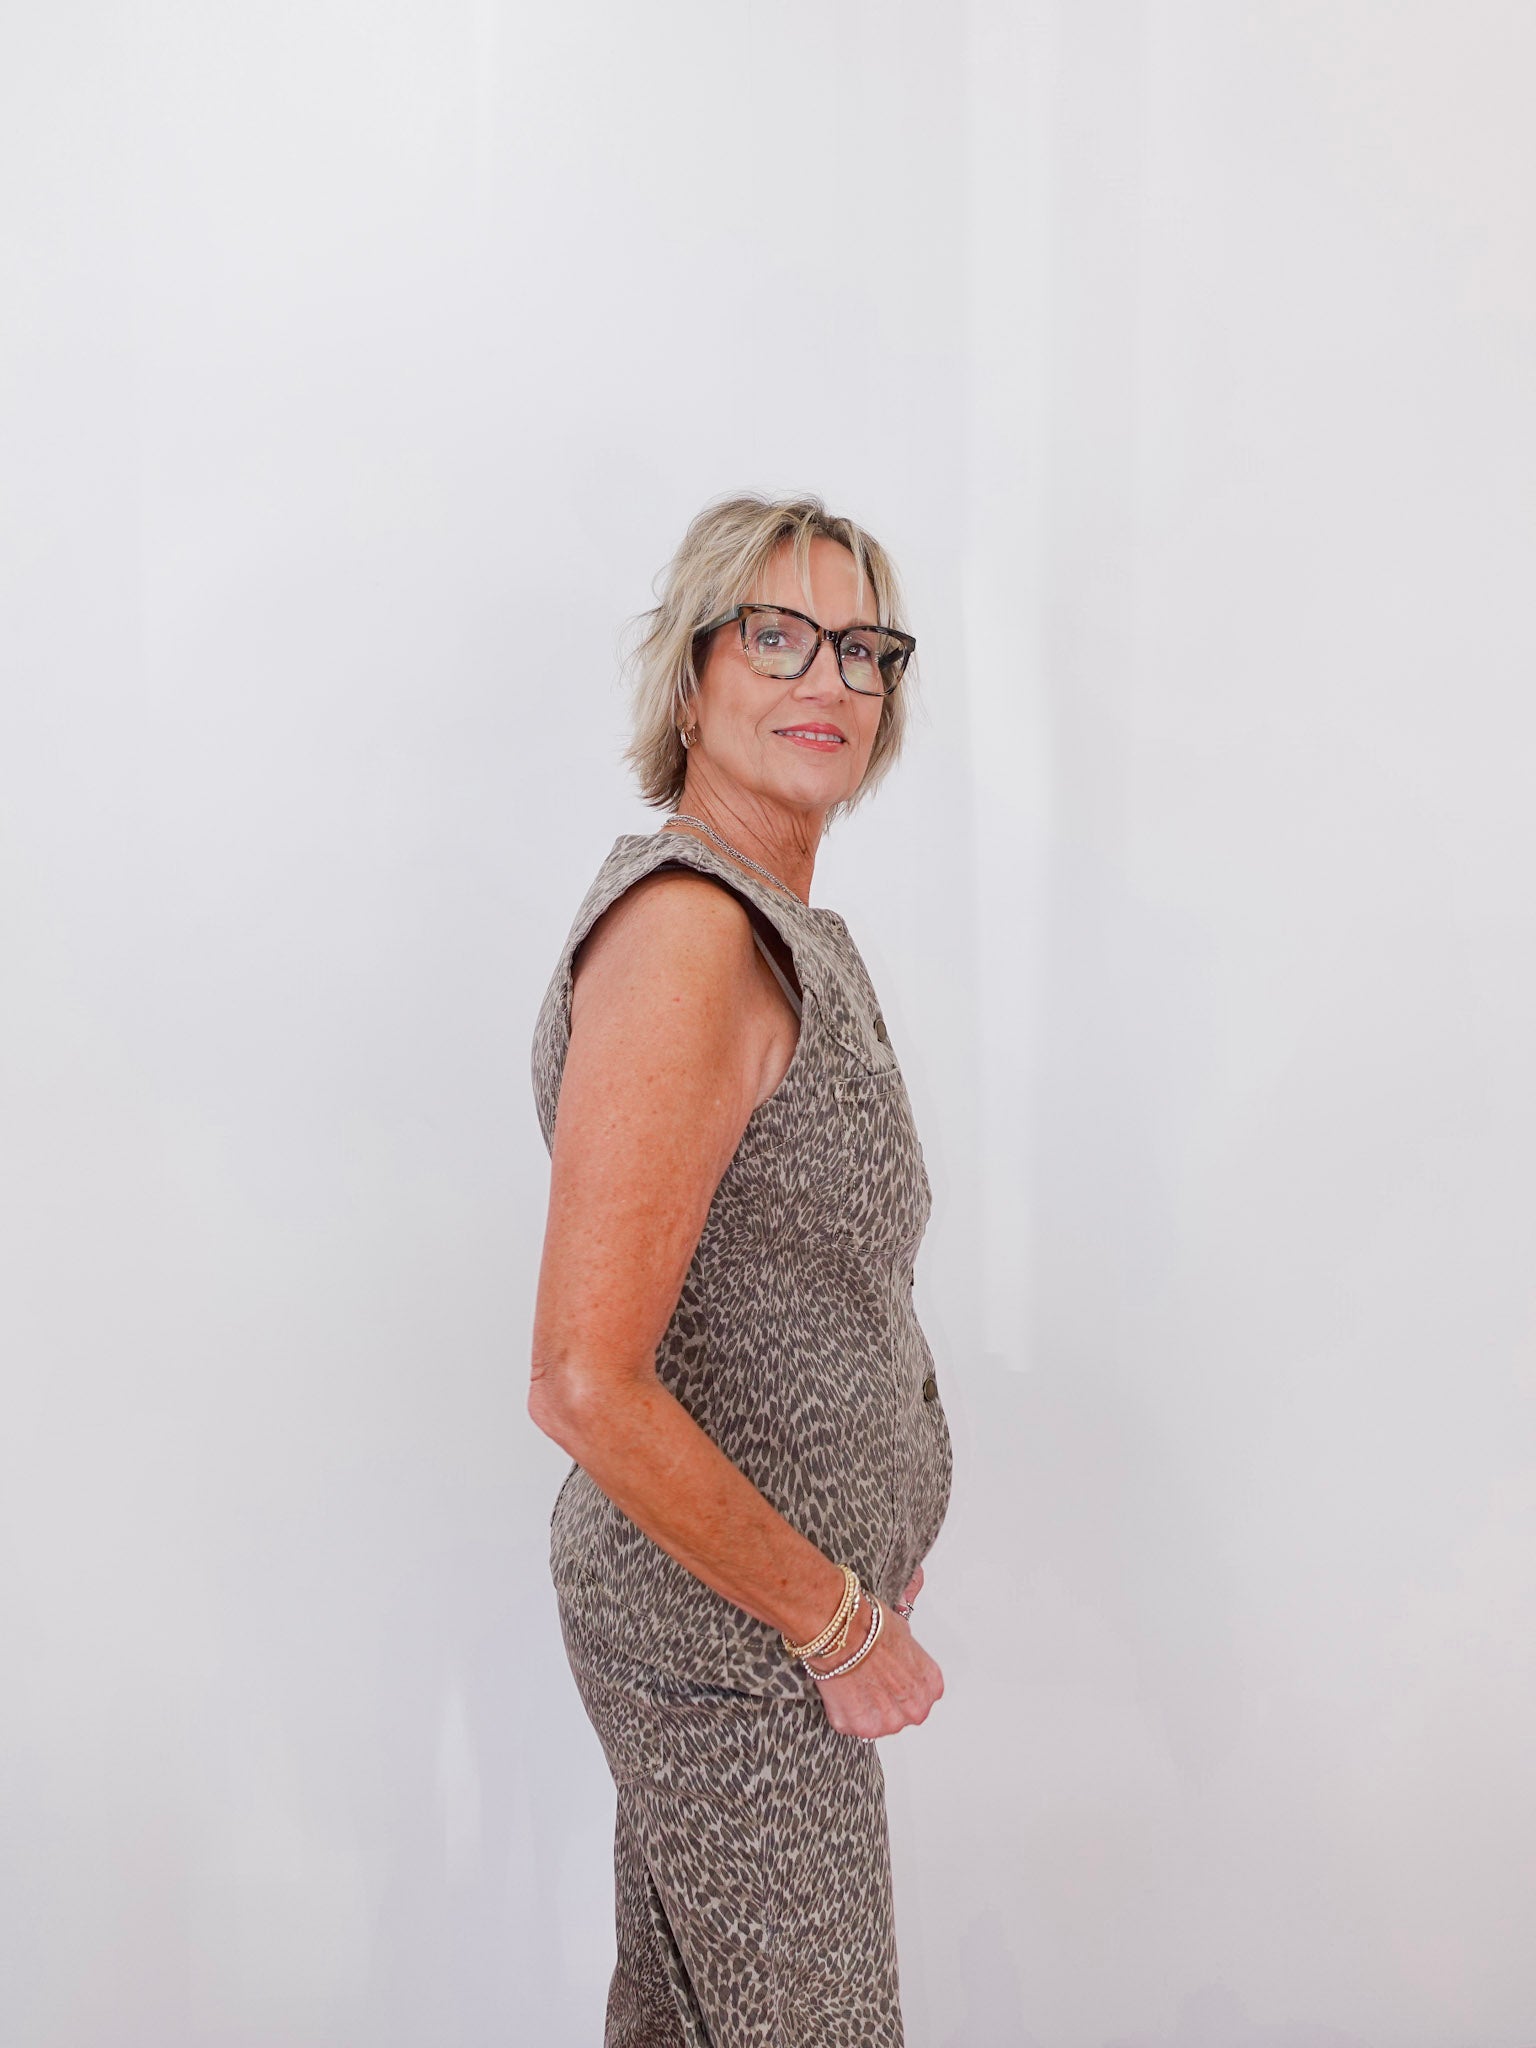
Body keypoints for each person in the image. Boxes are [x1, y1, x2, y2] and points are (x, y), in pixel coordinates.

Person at [528, 492, 952, 2046]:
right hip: (735, 1648)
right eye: (776, 635)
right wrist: (838, 1622)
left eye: (862, 647)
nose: (828, 678)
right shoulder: (691, 933)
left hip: (753, 1622)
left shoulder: (778, 925)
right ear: (692, 677)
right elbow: (582, 1380)